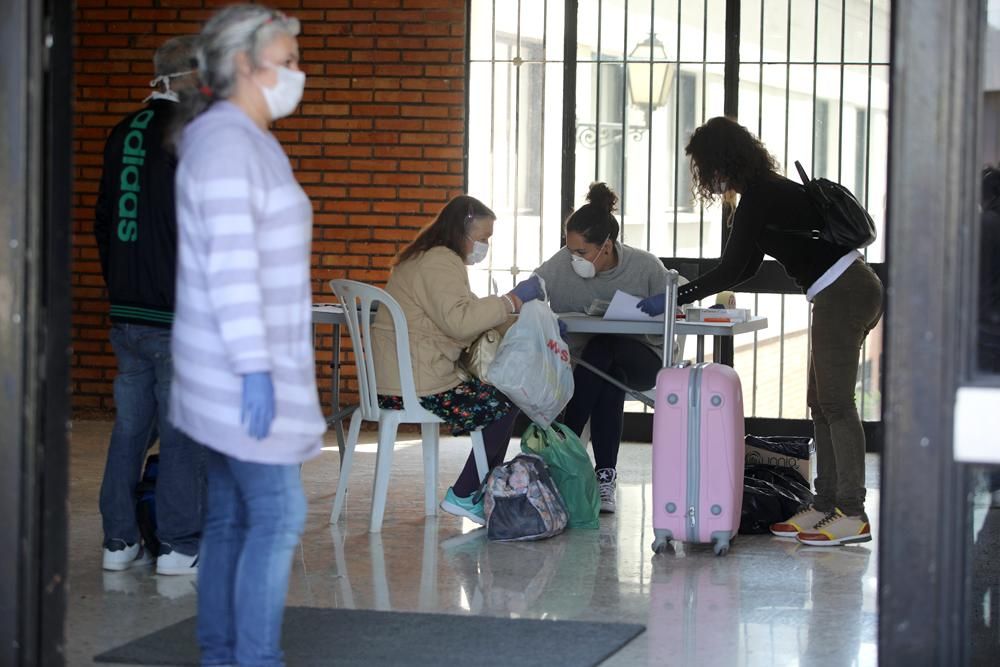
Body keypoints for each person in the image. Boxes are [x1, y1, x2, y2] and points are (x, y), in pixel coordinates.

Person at [637, 116, 884, 546]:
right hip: (842, 290)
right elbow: (748, 266)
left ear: (720, 161)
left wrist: (678, 297)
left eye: (703, 166)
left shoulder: (760, 197)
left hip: (844, 291)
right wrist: (689, 293)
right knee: (821, 403)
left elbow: (732, 268)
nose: (704, 177)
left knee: (837, 404)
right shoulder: (764, 191)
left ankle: (853, 512)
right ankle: (825, 504)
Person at [169, 6, 324, 664]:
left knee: (232, 513)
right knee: (278, 512)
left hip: (236, 368)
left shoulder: (244, 138)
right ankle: (251, 658)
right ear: (242, 66)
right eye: (286, 62)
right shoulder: (228, 144)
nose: (298, 74)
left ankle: (222, 652)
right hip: (237, 374)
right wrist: (255, 367)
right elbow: (232, 268)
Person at [94, 35, 204, 575]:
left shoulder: (121, 134)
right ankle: (179, 547)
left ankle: (118, 542)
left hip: (127, 312)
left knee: (131, 427)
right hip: (176, 314)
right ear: (186, 79)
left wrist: (120, 284)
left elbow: (103, 223)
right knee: (182, 435)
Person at [371, 195, 544, 525]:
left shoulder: (427, 257)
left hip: (405, 375)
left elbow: (464, 311)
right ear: (461, 230)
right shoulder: (439, 261)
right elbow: (460, 322)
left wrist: (518, 314)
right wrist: (513, 299)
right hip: (419, 382)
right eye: (482, 238)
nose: (484, 246)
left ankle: (478, 491)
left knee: (499, 398)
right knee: (505, 398)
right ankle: (466, 493)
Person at [533, 182, 678, 513]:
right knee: (608, 379)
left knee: (604, 348)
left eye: (582, 252)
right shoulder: (562, 263)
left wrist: (663, 303)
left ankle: (565, 448)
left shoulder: (645, 266)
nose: (574, 259)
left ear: (607, 247)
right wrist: (514, 300)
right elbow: (535, 285)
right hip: (593, 368)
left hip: (644, 359)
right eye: (570, 250)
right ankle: (605, 477)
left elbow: (678, 298)